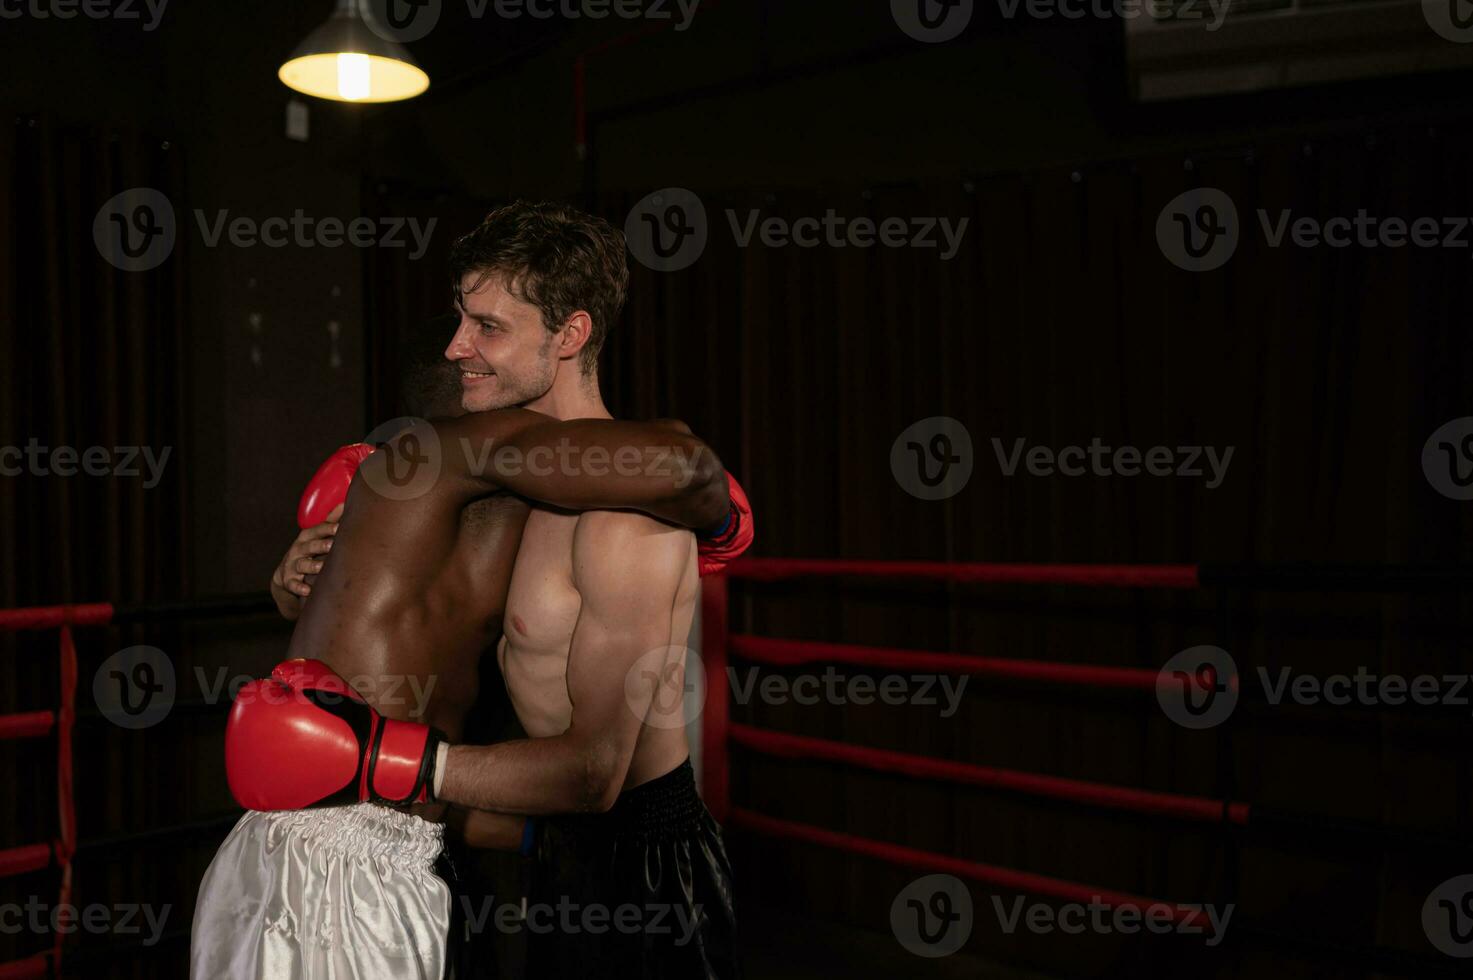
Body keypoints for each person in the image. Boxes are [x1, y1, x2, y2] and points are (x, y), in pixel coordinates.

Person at [203, 202, 745, 979]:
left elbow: (595, 772)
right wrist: (304, 579)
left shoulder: (623, 516)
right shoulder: (510, 496)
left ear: (570, 334)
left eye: (487, 327)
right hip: (543, 845)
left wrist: (376, 761)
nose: (460, 347)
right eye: (463, 321)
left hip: (644, 860)